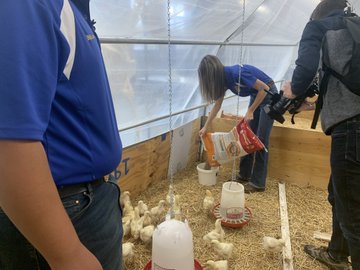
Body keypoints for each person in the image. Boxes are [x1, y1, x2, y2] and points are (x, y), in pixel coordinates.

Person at [0, 1, 123, 270]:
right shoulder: (28, 5)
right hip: (68, 209)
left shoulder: (69, 9)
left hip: (83, 202)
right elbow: (9, 141)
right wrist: (67, 255)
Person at [282, 0, 360, 269]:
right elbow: (345, 86)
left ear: (320, 12)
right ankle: (337, 254)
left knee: (352, 213)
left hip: (351, 129)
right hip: (353, 125)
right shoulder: (353, 31)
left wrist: (291, 93)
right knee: (339, 193)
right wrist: (311, 104)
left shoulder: (319, 27)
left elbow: (303, 73)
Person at [198, 55, 278, 193]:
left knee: (260, 141)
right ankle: (244, 175)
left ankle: (258, 183)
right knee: (247, 137)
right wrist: (205, 126)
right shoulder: (224, 80)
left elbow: (264, 89)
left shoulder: (236, 74)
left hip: (269, 96)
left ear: (213, 75)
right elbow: (217, 105)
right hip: (256, 96)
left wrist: (250, 110)